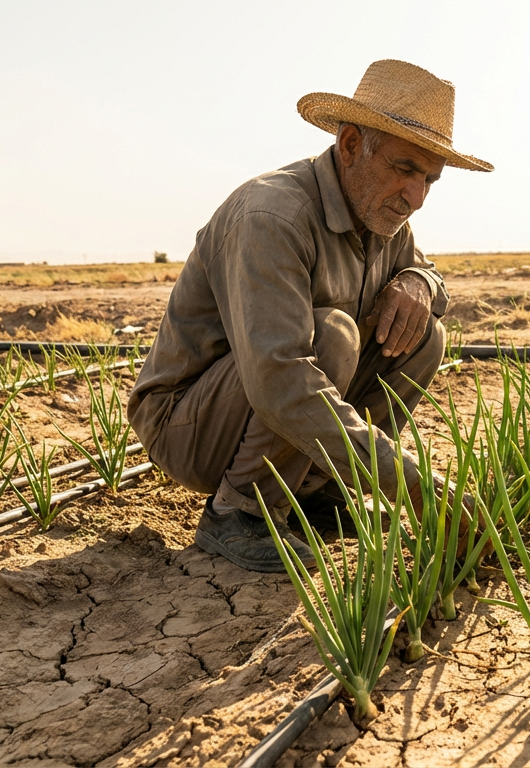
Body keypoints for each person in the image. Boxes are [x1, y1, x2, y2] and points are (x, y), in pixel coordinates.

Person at [127, 59, 492, 572]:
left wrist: (418, 282)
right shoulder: (272, 217)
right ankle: (240, 509)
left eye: (430, 179)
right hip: (189, 426)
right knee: (332, 336)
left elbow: (428, 275)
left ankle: (313, 491)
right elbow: (282, 378)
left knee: (424, 334)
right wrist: (410, 481)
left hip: (261, 408)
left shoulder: (382, 215)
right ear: (349, 145)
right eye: (405, 169)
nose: (417, 197)